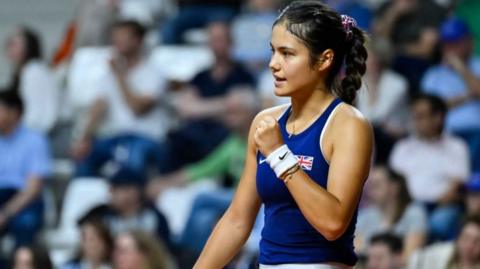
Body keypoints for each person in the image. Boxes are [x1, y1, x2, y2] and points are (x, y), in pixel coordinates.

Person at [194, 1, 373, 268]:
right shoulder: (265, 122)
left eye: (287, 54)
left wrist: (279, 154)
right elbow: (237, 220)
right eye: (273, 52)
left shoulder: (348, 124)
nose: (273, 64)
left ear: (324, 59)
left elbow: (333, 223)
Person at [71, 20, 169, 177]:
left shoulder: (154, 73)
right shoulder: (108, 75)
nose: (116, 43)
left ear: (137, 41)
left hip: (145, 138)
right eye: (114, 38)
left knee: (132, 160)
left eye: (122, 37)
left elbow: (138, 108)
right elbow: (98, 109)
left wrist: (120, 76)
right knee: (84, 159)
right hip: (114, 138)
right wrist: (83, 139)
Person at [389, 94, 470, 241]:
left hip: (440, 208)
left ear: (438, 118)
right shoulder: (402, 147)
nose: (416, 122)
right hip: (405, 207)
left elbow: (457, 185)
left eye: (421, 116)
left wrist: (430, 208)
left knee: (439, 223)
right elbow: (393, 184)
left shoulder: (456, 147)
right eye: (414, 116)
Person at [421, 17, 480, 172]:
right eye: (446, 44)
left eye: (456, 43)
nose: (450, 49)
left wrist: (460, 68)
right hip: (445, 136)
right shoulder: (433, 75)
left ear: (469, 42)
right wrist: (468, 96)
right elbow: (431, 108)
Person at [0, 91, 51, 248]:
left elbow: (32, 189)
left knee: (25, 223)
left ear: (14, 113)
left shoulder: (34, 140)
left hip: (24, 200)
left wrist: (5, 213)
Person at [81, 167, 171, 250]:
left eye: (115, 188)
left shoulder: (154, 218)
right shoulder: (100, 214)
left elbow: (163, 252)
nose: (110, 192)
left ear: (134, 192)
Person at [355, 165, 427, 261]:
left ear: (394, 187)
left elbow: (410, 257)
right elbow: (356, 254)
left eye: (377, 185)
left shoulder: (414, 213)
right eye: (371, 186)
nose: (371, 192)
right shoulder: (364, 216)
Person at [5, 26, 60, 134]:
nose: (9, 47)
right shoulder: (23, 72)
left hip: (39, 135)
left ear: (28, 47)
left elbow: (40, 113)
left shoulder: (34, 71)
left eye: (14, 44)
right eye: (8, 43)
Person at [407, 215, 480, 269]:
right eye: (466, 238)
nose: (469, 246)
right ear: (458, 238)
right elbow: (417, 257)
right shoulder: (444, 253)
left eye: (477, 241)